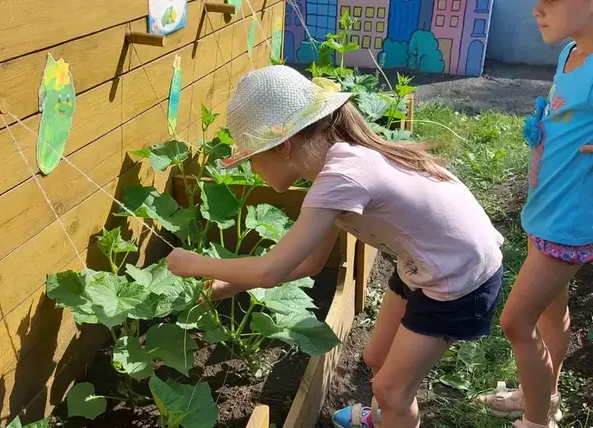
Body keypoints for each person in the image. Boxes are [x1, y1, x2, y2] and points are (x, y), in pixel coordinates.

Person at [166, 65, 504, 428]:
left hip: (459, 277)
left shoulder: (342, 177)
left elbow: (271, 269)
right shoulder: (338, 165)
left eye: (252, 158)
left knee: (392, 390)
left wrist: (194, 263)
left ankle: (392, 412)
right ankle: (385, 417)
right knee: (376, 357)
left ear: (283, 147)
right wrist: (229, 285)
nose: (252, 171)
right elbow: (310, 264)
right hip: (425, 262)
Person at [475, 1, 593, 427]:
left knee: (515, 321)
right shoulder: (570, 52)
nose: (537, 11)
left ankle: (537, 421)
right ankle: (543, 393)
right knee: (550, 314)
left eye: (550, 1)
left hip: (570, 223)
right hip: (545, 208)